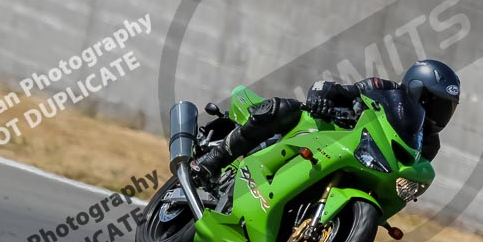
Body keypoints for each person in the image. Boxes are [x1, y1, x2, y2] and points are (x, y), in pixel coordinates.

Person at [190, 60, 461, 180]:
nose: (440, 114)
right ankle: (213, 160)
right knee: (285, 108)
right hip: (322, 133)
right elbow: (331, 87)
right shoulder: (384, 88)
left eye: (447, 107)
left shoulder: (429, 145)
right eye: (435, 103)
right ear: (416, 90)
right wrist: (323, 100)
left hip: (360, 167)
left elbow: (409, 173)